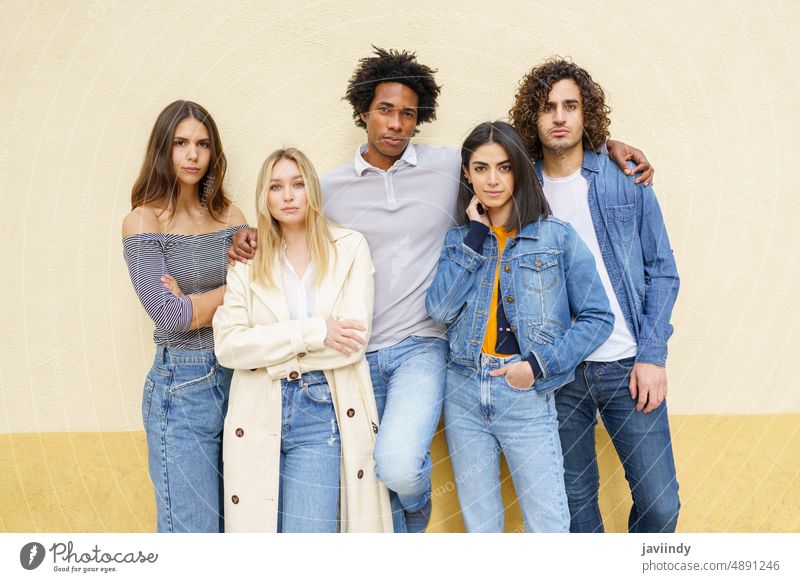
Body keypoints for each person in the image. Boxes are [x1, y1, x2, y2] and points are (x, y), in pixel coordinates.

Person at [228, 47, 654, 533]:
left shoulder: (448, 165)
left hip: (428, 352)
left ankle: (417, 504)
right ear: (363, 111)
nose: (396, 123)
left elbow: (517, 152)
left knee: (403, 466)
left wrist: (608, 145)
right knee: (372, 489)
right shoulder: (329, 187)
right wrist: (248, 235)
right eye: (385, 110)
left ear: (420, 118)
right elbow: (292, 213)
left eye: (408, 114)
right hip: (358, 356)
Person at [509, 57, 681, 533]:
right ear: (534, 118)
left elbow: (663, 271)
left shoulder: (622, 177)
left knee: (661, 503)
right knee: (577, 511)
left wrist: (652, 355)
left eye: (570, 105)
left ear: (587, 115)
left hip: (629, 365)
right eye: (547, 108)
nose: (559, 116)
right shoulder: (522, 192)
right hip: (559, 374)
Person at [425, 121, 613, 532]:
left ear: (521, 171)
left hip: (524, 393)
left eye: (504, 167)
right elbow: (439, 310)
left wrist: (538, 365)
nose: (492, 180)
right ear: (466, 173)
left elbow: (599, 317)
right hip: (462, 391)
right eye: (481, 168)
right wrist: (475, 236)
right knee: (482, 527)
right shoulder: (461, 241)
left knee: (547, 525)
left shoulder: (555, 238)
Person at [212, 148, 393, 533]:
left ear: (312, 189)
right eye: (276, 187)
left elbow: (352, 343)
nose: (288, 195)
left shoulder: (349, 248)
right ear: (265, 197)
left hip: (321, 407)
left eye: (297, 184)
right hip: (259, 406)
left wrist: (268, 352)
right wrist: (316, 331)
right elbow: (229, 347)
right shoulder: (249, 258)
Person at [122, 100, 247, 532]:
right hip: (182, 389)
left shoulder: (231, 218)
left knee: (241, 526)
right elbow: (171, 318)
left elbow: (254, 302)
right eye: (180, 143)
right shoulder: (143, 222)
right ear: (163, 149)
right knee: (192, 534)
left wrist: (195, 302)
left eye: (202, 144)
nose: (193, 155)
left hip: (239, 378)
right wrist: (229, 291)